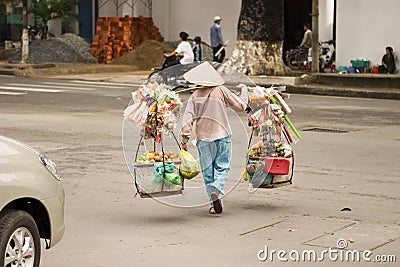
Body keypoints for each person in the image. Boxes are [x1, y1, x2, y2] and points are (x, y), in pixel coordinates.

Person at [180, 62, 249, 215]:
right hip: (222, 135)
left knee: (208, 172)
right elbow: (241, 105)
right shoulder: (221, 91)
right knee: (223, 166)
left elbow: (187, 120)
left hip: (203, 139)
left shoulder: (194, 96)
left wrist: (184, 140)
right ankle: (217, 189)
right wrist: (244, 89)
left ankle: (213, 203)